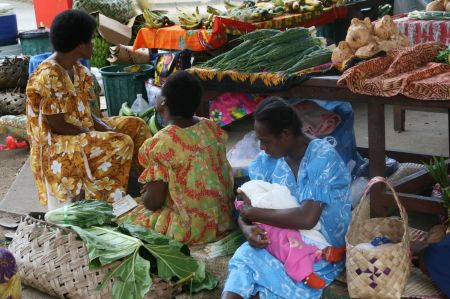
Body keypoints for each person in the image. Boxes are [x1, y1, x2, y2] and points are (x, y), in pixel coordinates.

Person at [222, 97, 352, 299]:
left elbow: (307, 219)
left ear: (285, 134)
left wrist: (253, 213)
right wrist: (247, 229)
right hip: (280, 243)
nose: (261, 147)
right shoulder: (266, 162)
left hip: (319, 254)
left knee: (258, 276)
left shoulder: (322, 158)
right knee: (245, 257)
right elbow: (247, 205)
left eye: (265, 141)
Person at [26, 10, 151, 210]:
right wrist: (94, 133)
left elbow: (86, 112)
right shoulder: (48, 75)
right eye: (90, 40)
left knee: (135, 126)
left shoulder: (79, 71)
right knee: (120, 143)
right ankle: (109, 205)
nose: (93, 45)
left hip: (79, 130)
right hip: (56, 143)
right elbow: (57, 124)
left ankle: (147, 187)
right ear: (79, 45)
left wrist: (103, 127)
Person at [120, 71, 235, 245]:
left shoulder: (161, 144)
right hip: (223, 219)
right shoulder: (211, 128)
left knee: (124, 212)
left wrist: (144, 195)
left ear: (163, 101)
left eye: (159, 92)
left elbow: (153, 203)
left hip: (191, 228)